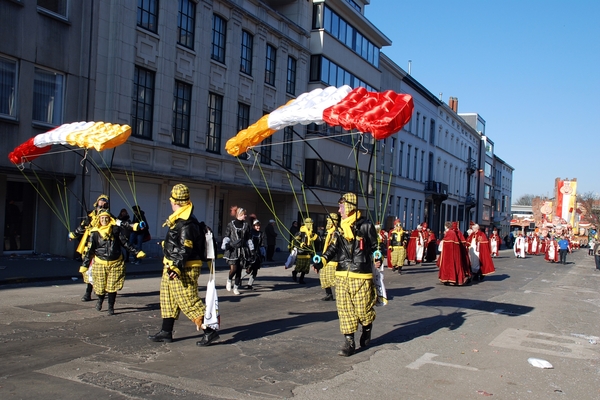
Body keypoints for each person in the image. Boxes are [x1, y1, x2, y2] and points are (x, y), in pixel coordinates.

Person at [148, 183, 219, 346]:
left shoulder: (186, 222)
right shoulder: (180, 218)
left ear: (176, 202)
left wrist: (176, 267)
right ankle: (166, 332)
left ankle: (210, 330)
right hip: (172, 265)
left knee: (188, 300)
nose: (171, 203)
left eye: (172, 200)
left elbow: (185, 248)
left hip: (183, 267)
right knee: (168, 299)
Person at [317, 193, 381, 357]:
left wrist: (377, 257)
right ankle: (349, 342)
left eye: (341, 206)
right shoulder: (338, 229)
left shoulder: (365, 225)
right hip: (341, 274)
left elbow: (375, 246)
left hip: (360, 274)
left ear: (350, 207)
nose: (339, 210)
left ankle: (367, 328)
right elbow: (333, 249)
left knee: (362, 309)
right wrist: (321, 260)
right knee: (344, 310)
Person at [80, 210, 145, 315]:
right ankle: (100, 300)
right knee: (100, 286)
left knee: (112, 286)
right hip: (100, 262)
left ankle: (111, 306)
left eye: (106, 218)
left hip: (116, 263)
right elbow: (90, 251)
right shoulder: (95, 233)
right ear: (99, 220)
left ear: (109, 219)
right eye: (102, 218)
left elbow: (125, 243)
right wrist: (85, 265)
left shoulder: (115, 230)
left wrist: (136, 252)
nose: (104, 220)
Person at [222, 206, 252, 295]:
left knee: (239, 270)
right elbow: (227, 235)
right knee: (234, 269)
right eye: (244, 214)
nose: (245, 216)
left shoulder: (246, 225)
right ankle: (229, 279)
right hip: (233, 250)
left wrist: (252, 249)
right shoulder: (231, 225)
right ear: (239, 214)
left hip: (242, 250)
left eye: (245, 214)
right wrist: (226, 244)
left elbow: (248, 238)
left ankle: (236, 287)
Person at [437, 221, 471, 286]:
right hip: (450, 253)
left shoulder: (450, 233)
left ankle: (451, 279)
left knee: (451, 265)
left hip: (450, 254)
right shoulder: (451, 232)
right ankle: (447, 279)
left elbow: (447, 243)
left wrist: (442, 242)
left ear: (446, 226)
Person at [290, 217, 319, 284]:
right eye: (309, 223)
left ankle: (301, 279)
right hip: (301, 252)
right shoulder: (300, 232)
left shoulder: (311, 233)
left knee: (306, 267)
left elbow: (315, 241)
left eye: (312, 224)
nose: (311, 225)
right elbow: (295, 241)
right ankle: (294, 272)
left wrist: (316, 238)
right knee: (299, 266)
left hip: (308, 252)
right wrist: (300, 244)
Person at [318, 213, 339, 301]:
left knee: (334, 279)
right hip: (325, 257)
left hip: (334, 258)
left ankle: (341, 294)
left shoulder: (337, 232)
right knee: (324, 276)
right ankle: (329, 294)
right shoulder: (327, 232)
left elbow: (334, 246)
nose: (328, 223)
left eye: (329, 221)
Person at [246, 219, 266, 290]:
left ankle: (249, 284)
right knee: (248, 269)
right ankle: (238, 279)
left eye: (259, 226)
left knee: (255, 270)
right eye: (257, 226)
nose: (258, 227)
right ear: (253, 226)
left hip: (257, 253)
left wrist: (263, 253)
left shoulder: (261, 233)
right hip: (250, 253)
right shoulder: (250, 233)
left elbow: (262, 244)